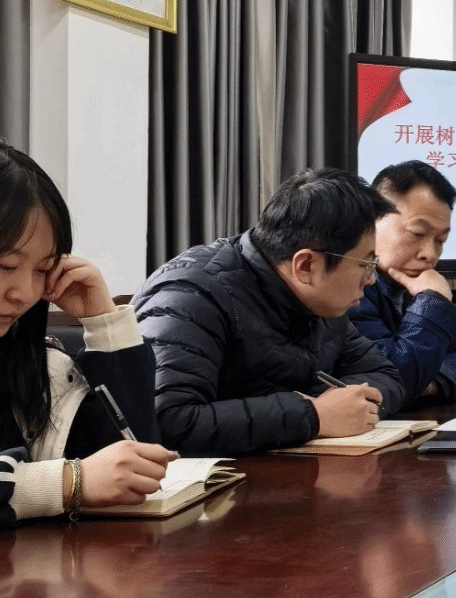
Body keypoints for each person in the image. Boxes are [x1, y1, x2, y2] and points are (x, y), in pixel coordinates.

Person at [134, 169, 406, 456]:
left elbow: (384, 375)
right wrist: (313, 415)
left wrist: (340, 406)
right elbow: (167, 422)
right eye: (365, 264)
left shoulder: (320, 302)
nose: (371, 279)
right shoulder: (191, 295)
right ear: (306, 266)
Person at [0, 141, 175, 525]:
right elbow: (85, 477)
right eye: (6, 265)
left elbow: (130, 464)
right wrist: (66, 482)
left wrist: (105, 323)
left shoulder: (33, 362)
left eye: (41, 270)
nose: (24, 293)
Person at [347, 161, 456, 406]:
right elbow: (394, 378)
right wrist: (433, 303)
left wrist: (425, 383)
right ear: (372, 221)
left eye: (440, 240)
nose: (430, 255)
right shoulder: (347, 288)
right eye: (417, 234)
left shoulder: (415, 288)